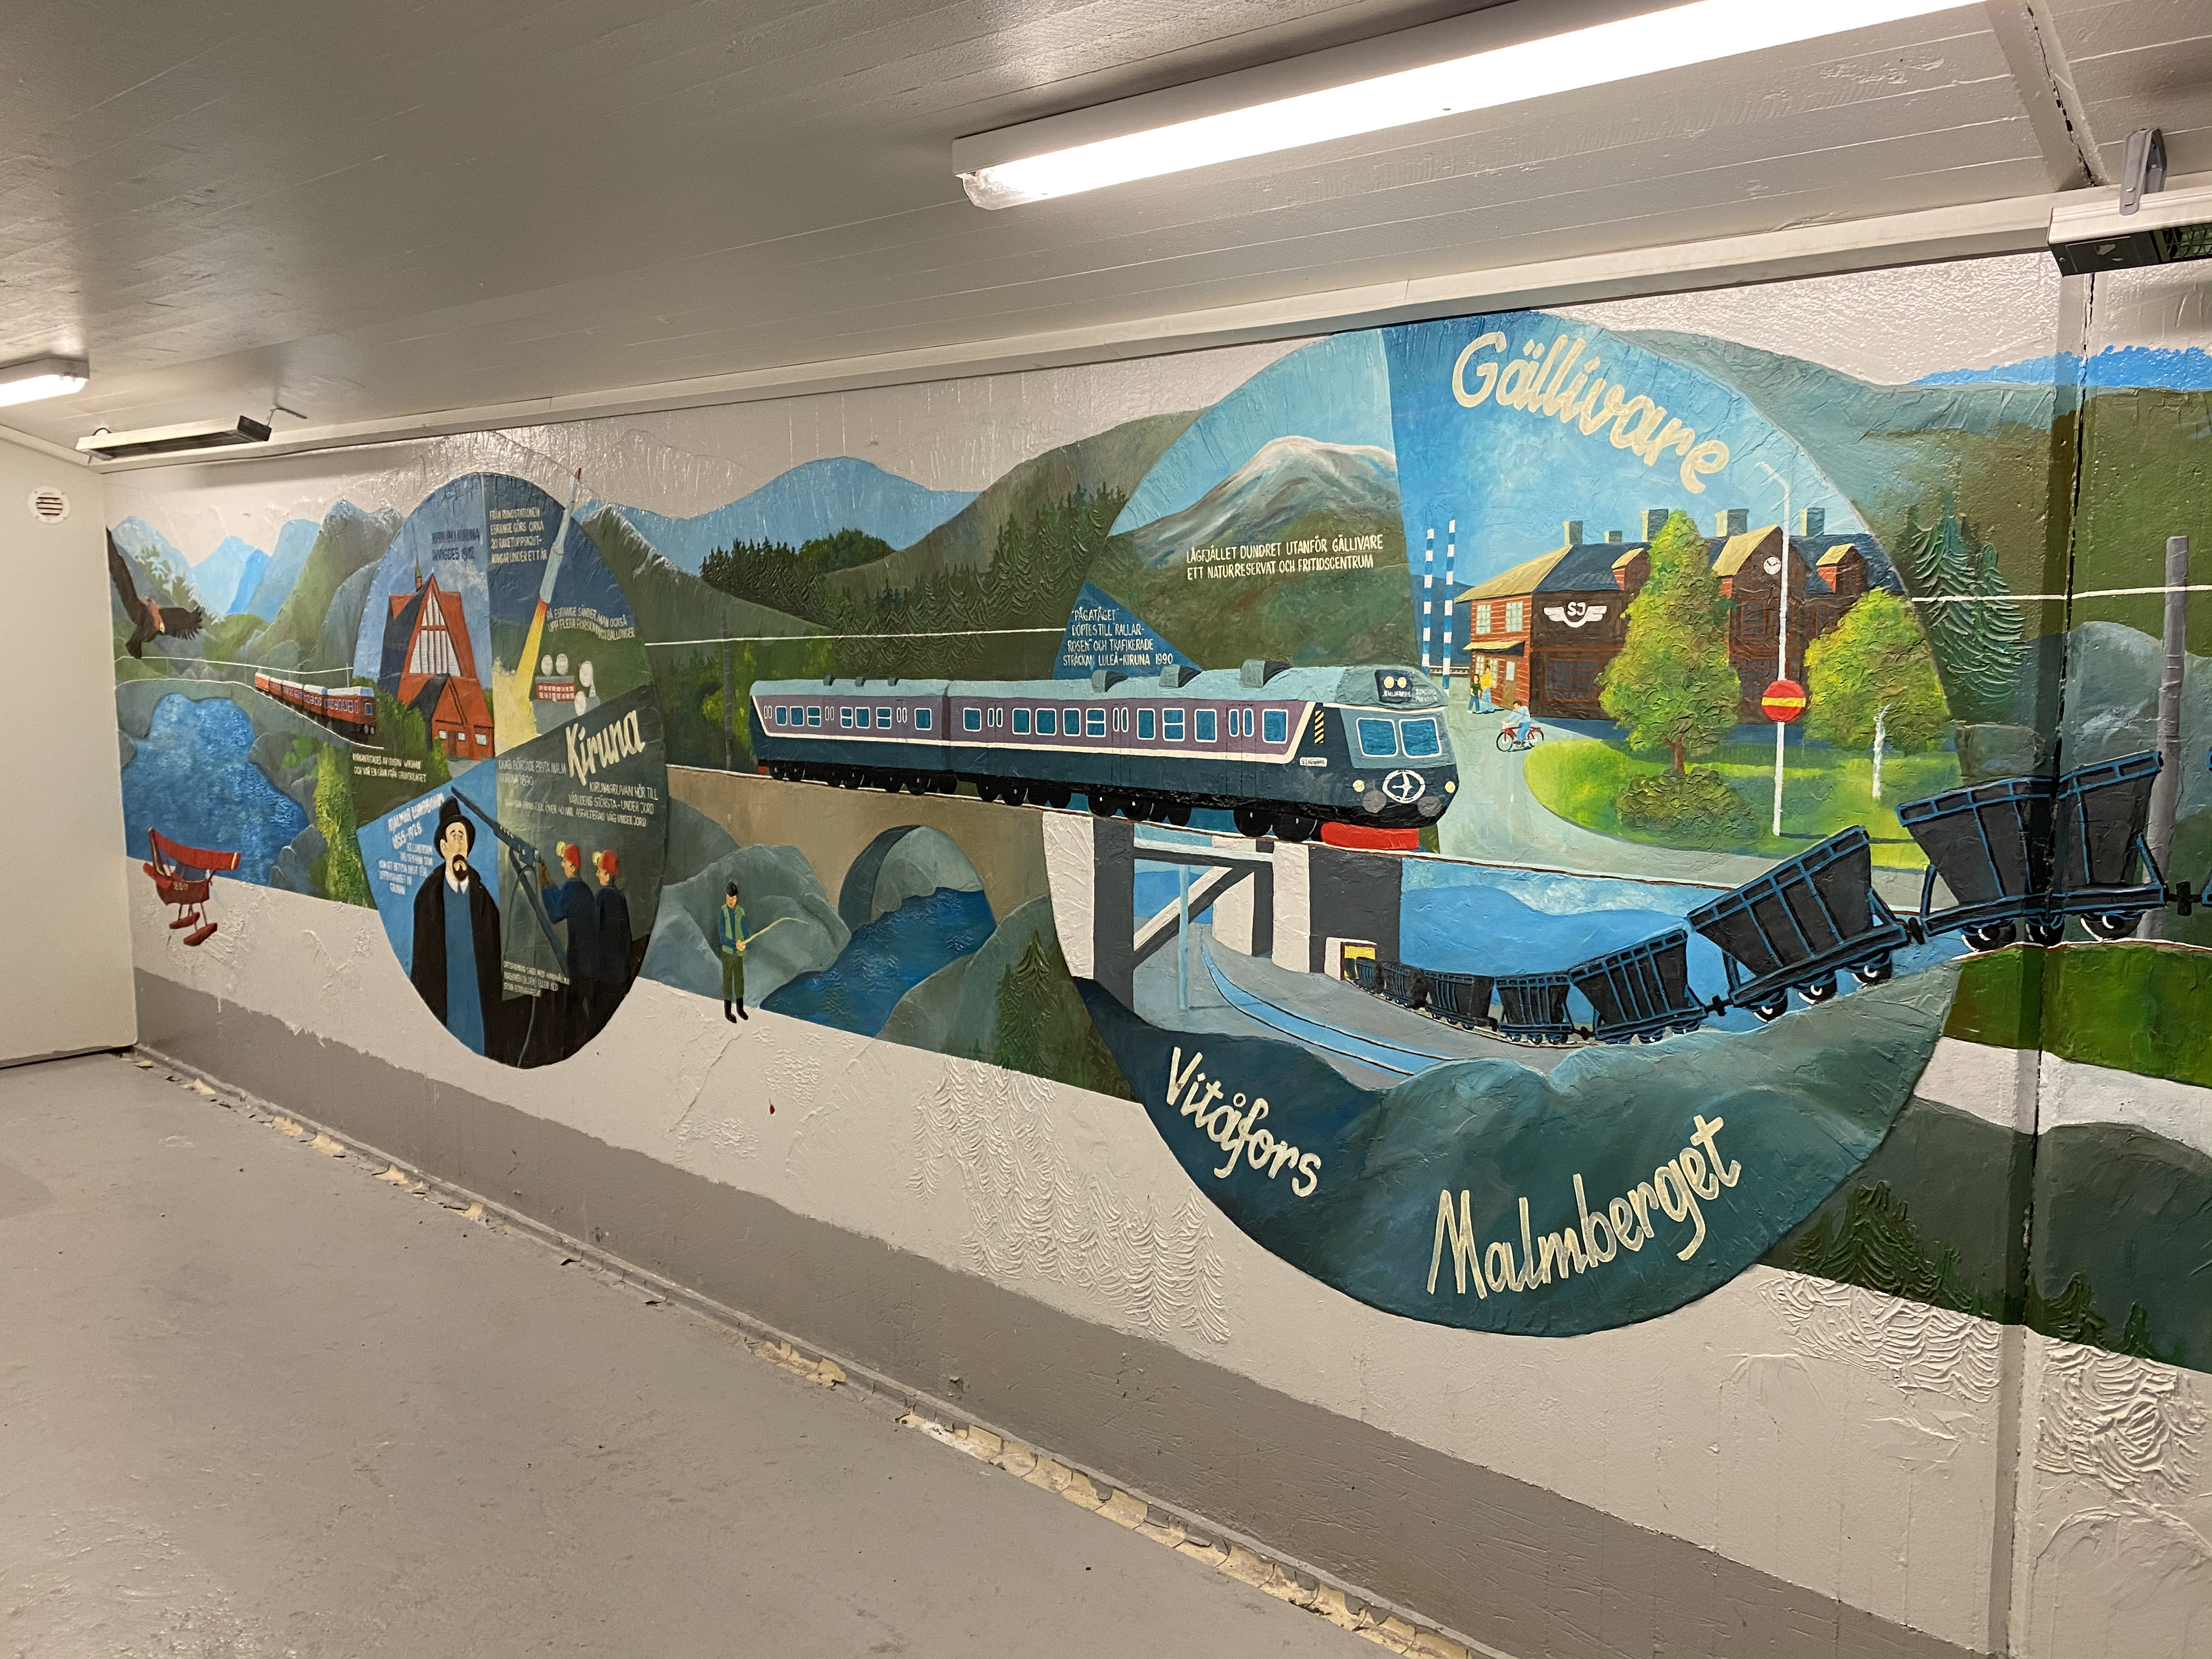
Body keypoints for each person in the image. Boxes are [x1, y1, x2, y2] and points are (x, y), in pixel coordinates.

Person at [409, 795, 503, 1056]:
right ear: (443, 847)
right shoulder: (427, 898)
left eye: (463, 837)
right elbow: (421, 965)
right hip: (444, 999)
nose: (460, 843)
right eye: (454, 836)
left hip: (477, 999)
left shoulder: (483, 899)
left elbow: (494, 959)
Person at [539, 840, 600, 1044]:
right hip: (592, 964)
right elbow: (562, 901)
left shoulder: (572, 889)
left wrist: (542, 883)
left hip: (580, 964)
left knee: (572, 1015)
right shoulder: (583, 889)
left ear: (573, 866)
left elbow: (555, 913)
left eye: (565, 862)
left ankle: (569, 1049)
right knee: (591, 1015)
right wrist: (547, 878)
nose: (562, 865)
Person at [589, 848, 633, 1033]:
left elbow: (595, 933)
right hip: (619, 974)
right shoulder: (620, 898)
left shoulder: (601, 897)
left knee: (597, 1021)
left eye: (599, 871)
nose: (597, 874)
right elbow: (627, 937)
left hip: (604, 974)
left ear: (607, 875)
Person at [716, 883, 748, 1022]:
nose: (730, 901)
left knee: (739, 979)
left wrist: (745, 943)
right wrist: (734, 945)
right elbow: (722, 936)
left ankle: (740, 1009)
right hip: (728, 953)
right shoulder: (723, 912)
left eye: (733, 898)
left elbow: (746, 931)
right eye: (729, 898)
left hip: (739, 954)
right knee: (728, 980)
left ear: (737, 898)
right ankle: (728, 1011)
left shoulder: (741, 912)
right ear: (726, 897)